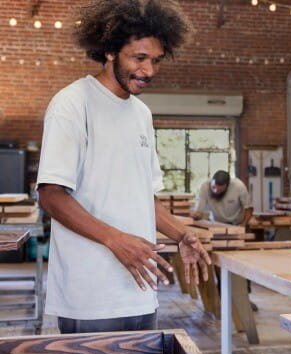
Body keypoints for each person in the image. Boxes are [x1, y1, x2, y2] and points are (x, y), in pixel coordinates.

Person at [36, 0, 211, 334]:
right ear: (111, 51)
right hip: (90, 295)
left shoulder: (141, 114)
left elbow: (143, 197)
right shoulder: (72, 104)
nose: (149, 71)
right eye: (139, 58)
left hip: (140, 290)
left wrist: (182, 234)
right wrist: (117, 241)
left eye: (156, 60)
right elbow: (51, 196)